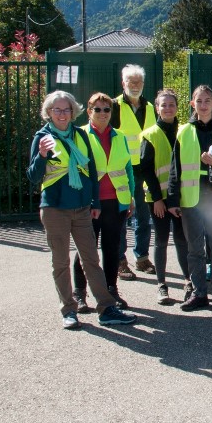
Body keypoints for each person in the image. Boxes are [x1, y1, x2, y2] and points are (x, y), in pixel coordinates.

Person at [26, 90, 136, 330]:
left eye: (66, 109)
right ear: (49, 113)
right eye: (57, 110)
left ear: (73, 111)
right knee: (61, 261)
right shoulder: (42, 137)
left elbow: (92, 171)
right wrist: (42, 155)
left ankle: (106, 308)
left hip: (82, 208)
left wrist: (95, 203)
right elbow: (33, 176)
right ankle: (69, 309)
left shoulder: (80, 136)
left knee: (91, 259)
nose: (62, 114)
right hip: (55, 207)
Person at [169, 85, 212, 312]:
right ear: (193, 104)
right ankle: (199, 293)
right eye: (199, 101)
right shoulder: (183, 131)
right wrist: (172, 199)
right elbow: (175, 168)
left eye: (207, 101)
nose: (203, 105)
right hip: (191, 198)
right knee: (195, 249)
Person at [72, 92, 135, 312]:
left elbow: (127, 170)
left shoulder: (119, 136)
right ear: (89, 111)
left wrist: (130, 197)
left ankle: (111, 291)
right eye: (97, 109)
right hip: (89, 203)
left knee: (112, 249)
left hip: (115, 202)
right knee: (86, 250)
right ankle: (79, 294)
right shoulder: (80, 135)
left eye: (106, 109)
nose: (102, 113)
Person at [139, 89, 190, 306]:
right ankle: (162, 285)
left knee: (181, 240)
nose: (167, 108)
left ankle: (189, 282)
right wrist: (159, 199)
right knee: (160, 241)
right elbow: (146, 170)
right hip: (158, 199)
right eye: (163, 105)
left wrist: (173, 199)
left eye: (171, 104)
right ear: (157, 108)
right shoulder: (149, 134)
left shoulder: (185, 132)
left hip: (180, 198)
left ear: (177, 107)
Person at [112, 64, 157, 281]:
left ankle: (142, 257)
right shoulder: (113, 106)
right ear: (123, 83)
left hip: (144, 169)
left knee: (143, 215)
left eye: (139, 82)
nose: (136, 85)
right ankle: (120, 261)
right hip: (121, 170)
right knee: (122, 216)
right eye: (131, 82)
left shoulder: (150, 107)